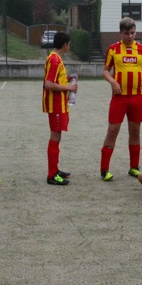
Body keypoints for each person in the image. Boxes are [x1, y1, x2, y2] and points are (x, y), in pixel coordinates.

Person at [100, 17, 142, 181]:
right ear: (120, 33)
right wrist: (112, 81)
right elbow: (105, 71)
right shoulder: (113, 49)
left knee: (135, 131)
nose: (130, 36)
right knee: (112, 131)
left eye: (132, 33)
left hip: (137, 98)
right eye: (126, 33)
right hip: (119, 99)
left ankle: (134, 167)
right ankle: (104, 169)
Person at [42, 31, 78, 185]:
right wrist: (69, 88)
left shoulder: (55, 58)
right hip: (56, 105)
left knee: (57, 137)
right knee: (55, 137)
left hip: (60, 105)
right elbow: (48, 84)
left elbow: (57, 79)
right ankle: (51, 175)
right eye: (69, 44)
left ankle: (55, 170)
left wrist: (68, 79)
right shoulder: (55, 60)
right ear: (65, 45)